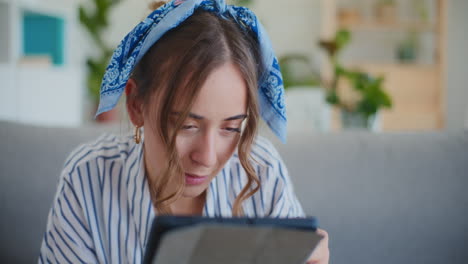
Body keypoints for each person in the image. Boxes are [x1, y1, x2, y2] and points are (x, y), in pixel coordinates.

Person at [38, 0, 329, 263]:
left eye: (230, 127)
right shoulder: (89, 178)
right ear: (137, 105)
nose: (207, 157)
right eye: (186, 126)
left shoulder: (262, 170)